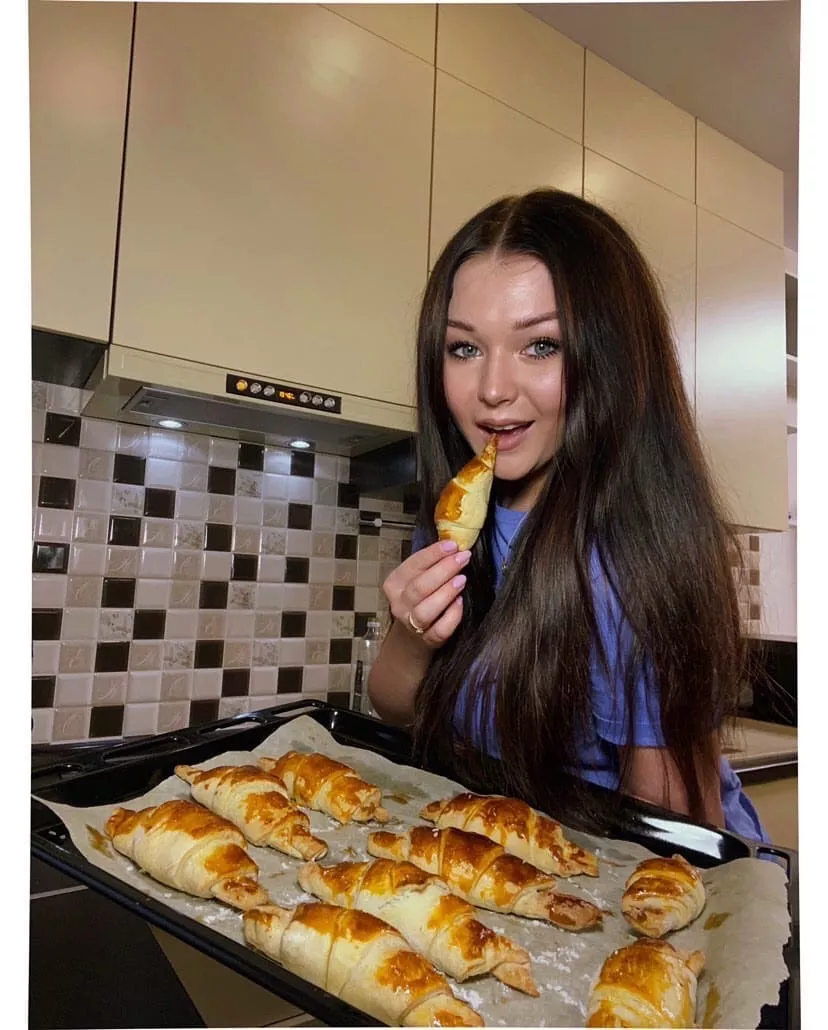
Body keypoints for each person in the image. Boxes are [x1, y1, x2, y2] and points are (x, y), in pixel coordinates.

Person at [366, 187, 769, 844]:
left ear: (611, 356)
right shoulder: (458, 516)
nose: (493, 389)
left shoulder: (633, 562)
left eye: (541, 345)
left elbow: (674, 847)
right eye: (464, 348)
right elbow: (395, 708)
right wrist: (413, 637)